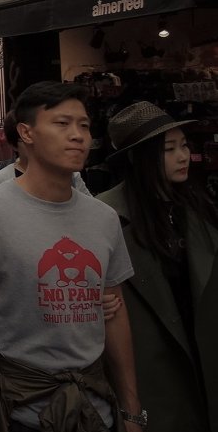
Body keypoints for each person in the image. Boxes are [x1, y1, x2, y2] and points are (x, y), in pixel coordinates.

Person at [0, 82, 143, 432]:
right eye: (62, 124)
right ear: (26, 133)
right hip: (20, 408)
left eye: (83, 125)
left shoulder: (104, 218)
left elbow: (115, 315)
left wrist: (131, 410)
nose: (78, 135)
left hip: (95, 407)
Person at [97, 102, 218, 432]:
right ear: (139, 158)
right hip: (151, 371)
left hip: (205, 356)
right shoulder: (106, 215)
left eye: (184, 145)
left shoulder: (197, 205)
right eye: (169, 149)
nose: (183, 156)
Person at [0, 109, 92, 195]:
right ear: (14, 145)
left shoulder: (71, 176)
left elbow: (90, 210)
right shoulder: (1, 179)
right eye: (26, 139)